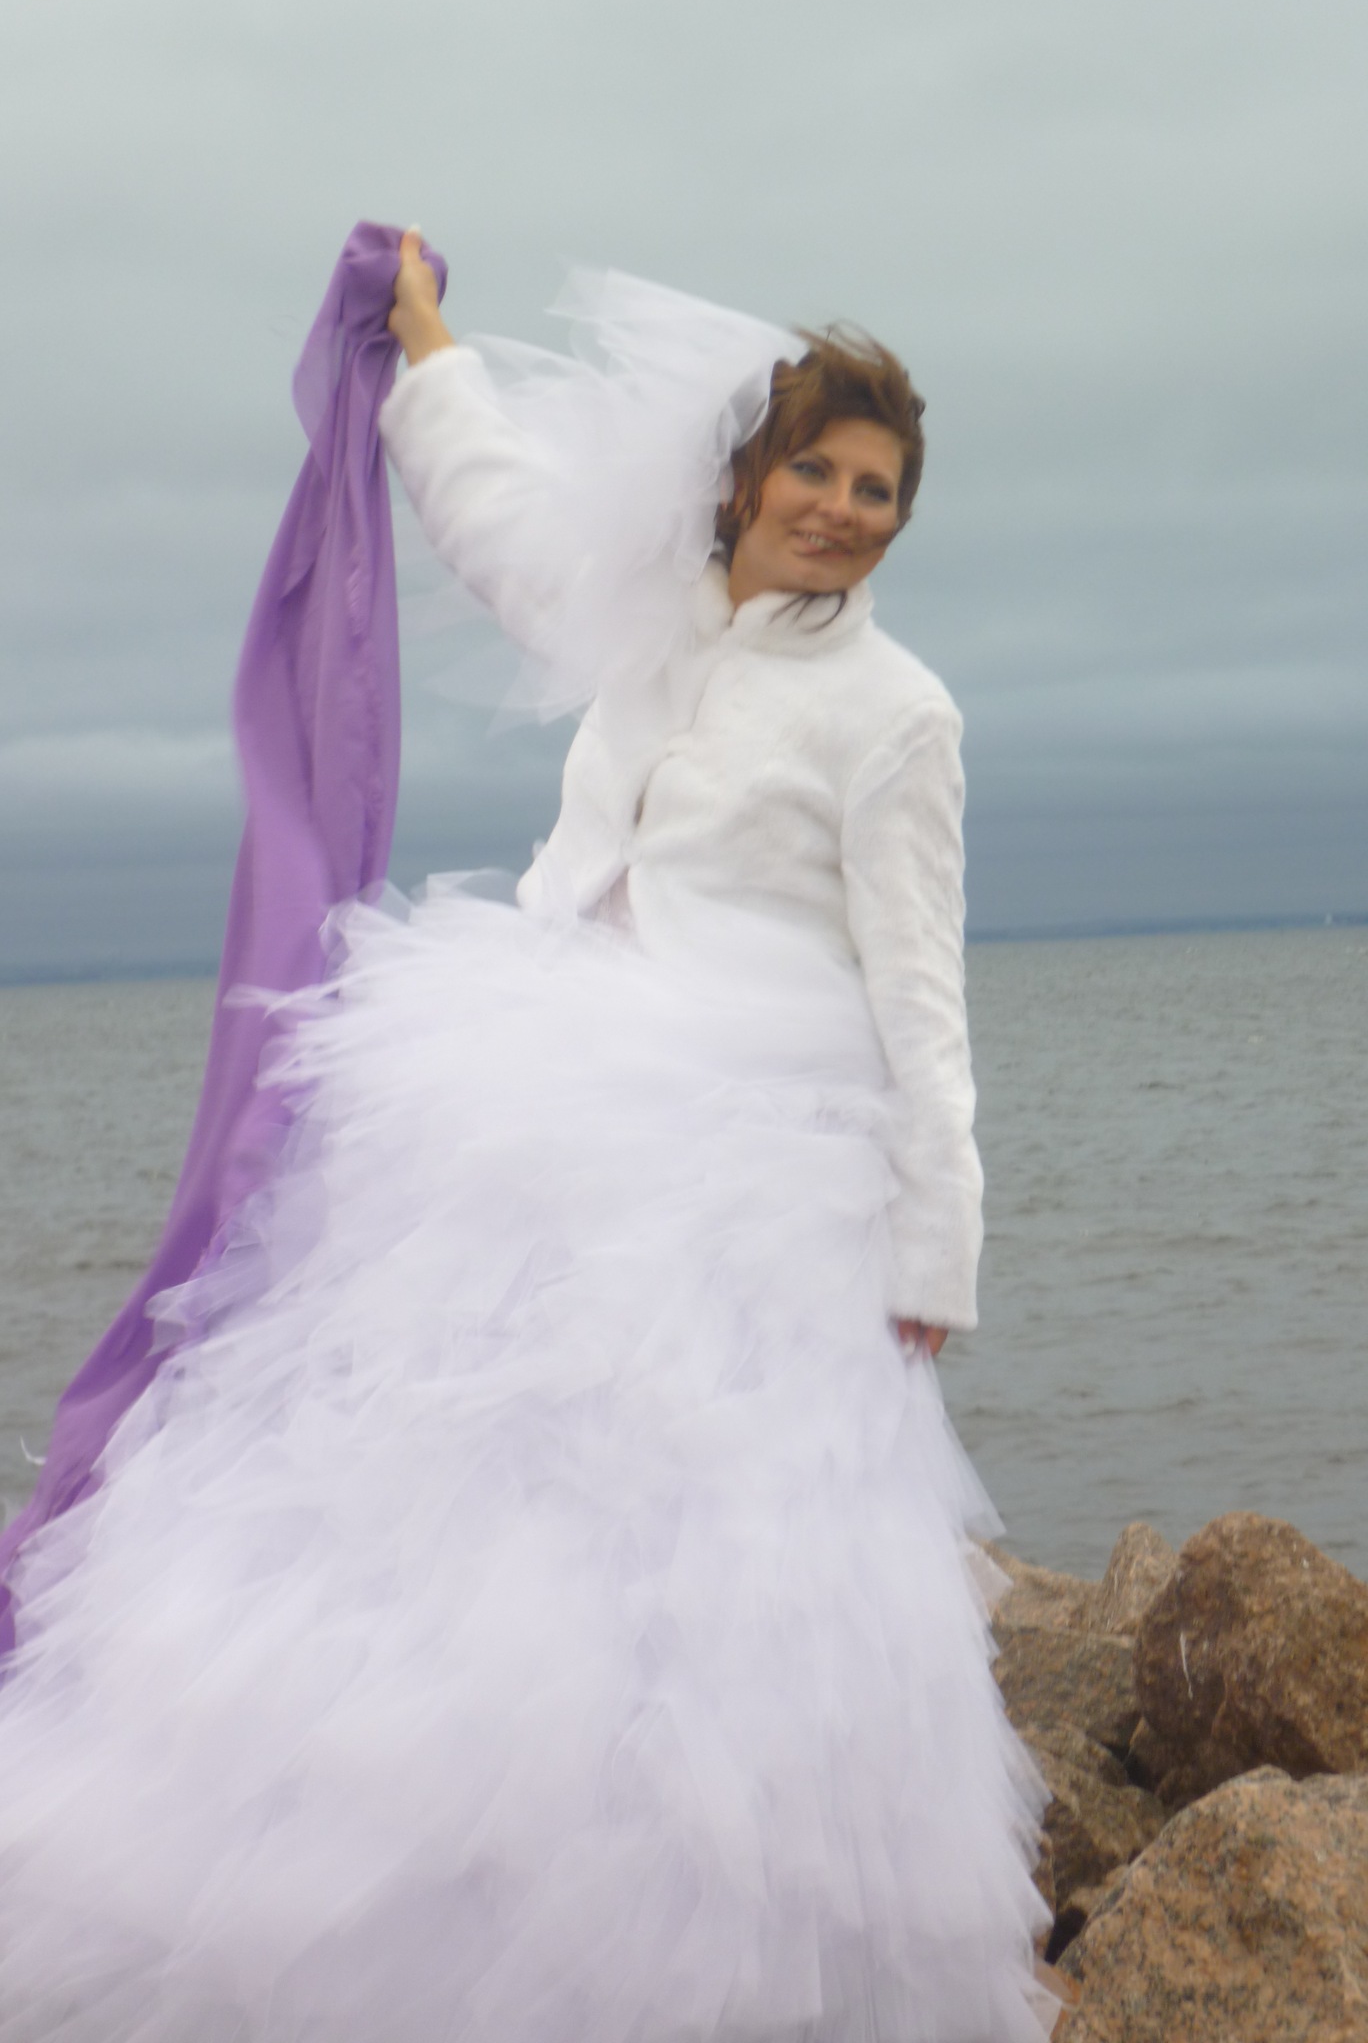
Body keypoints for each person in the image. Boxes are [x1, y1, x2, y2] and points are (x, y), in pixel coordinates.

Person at [0, 234, 1058, 2043]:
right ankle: (431, 1867)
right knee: (473, 1496)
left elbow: (923, 997)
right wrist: (423, 334)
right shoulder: (651, 621)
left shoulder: (900, 714)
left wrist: (932, 1248)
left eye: (878, 489)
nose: (841, 509)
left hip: (756, 1159)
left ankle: (703, 1933)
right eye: (813, 468)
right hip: (553, 1095)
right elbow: (496, 515)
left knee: (722, 1540)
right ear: (744, 475)